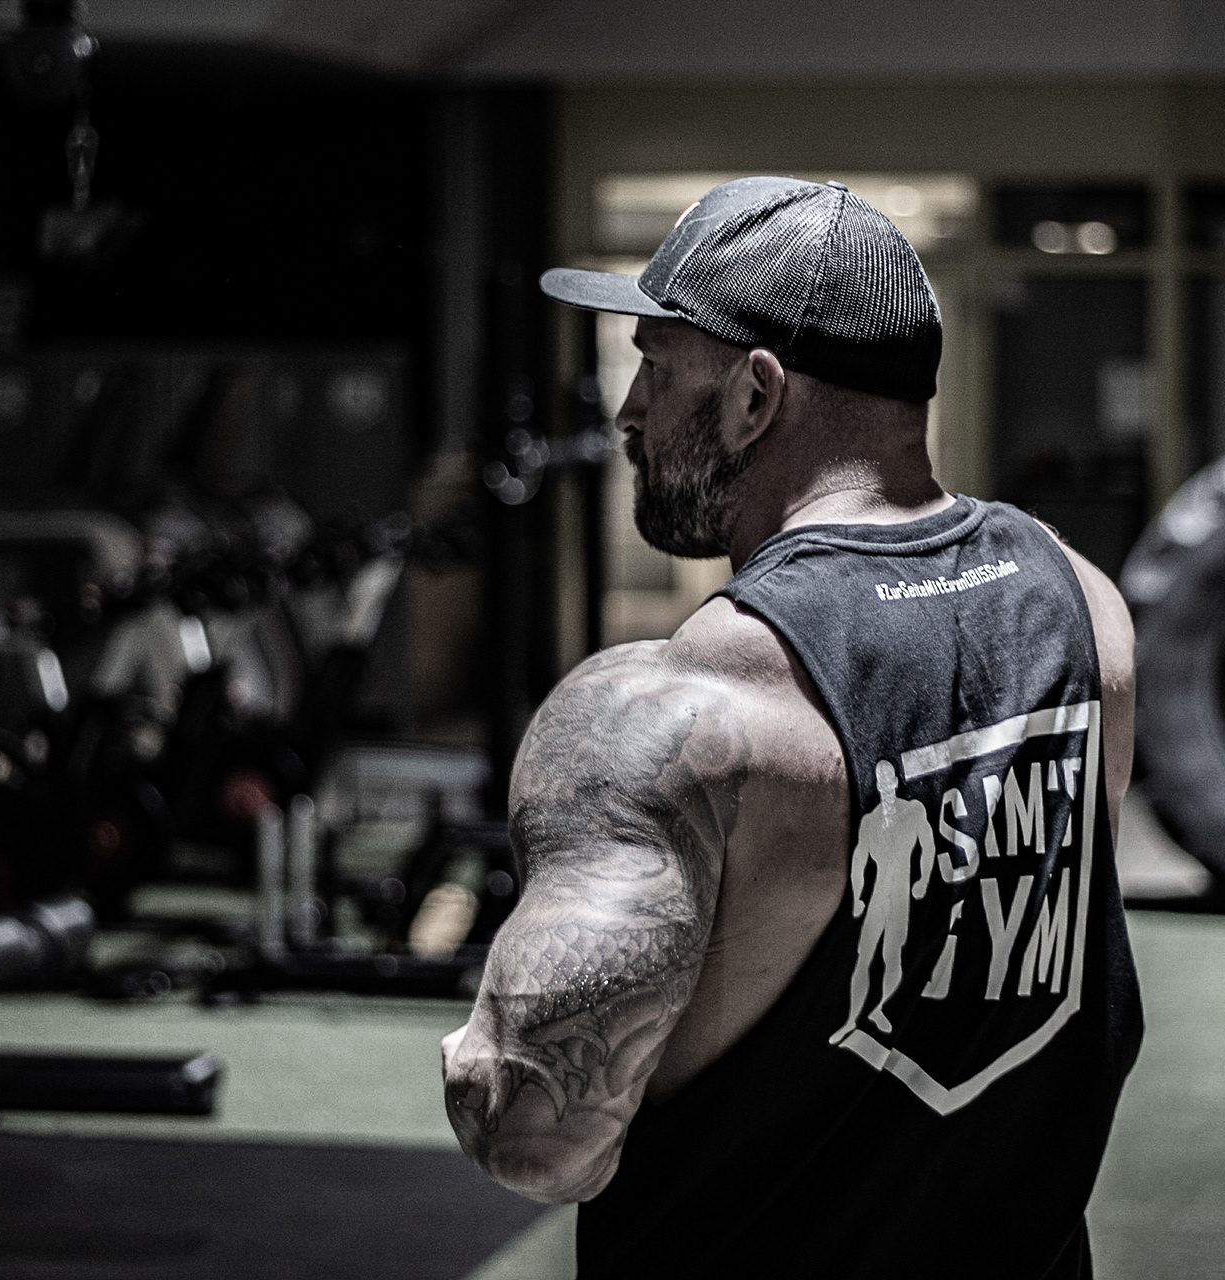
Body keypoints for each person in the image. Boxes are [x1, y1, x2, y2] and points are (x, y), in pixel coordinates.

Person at [441, 176, 1142, 1279]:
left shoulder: (681, 709)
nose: (628, 415)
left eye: (655, 367)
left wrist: (483, 1051)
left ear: (755, 396)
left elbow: (538, 1136)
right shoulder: (1081, 604)